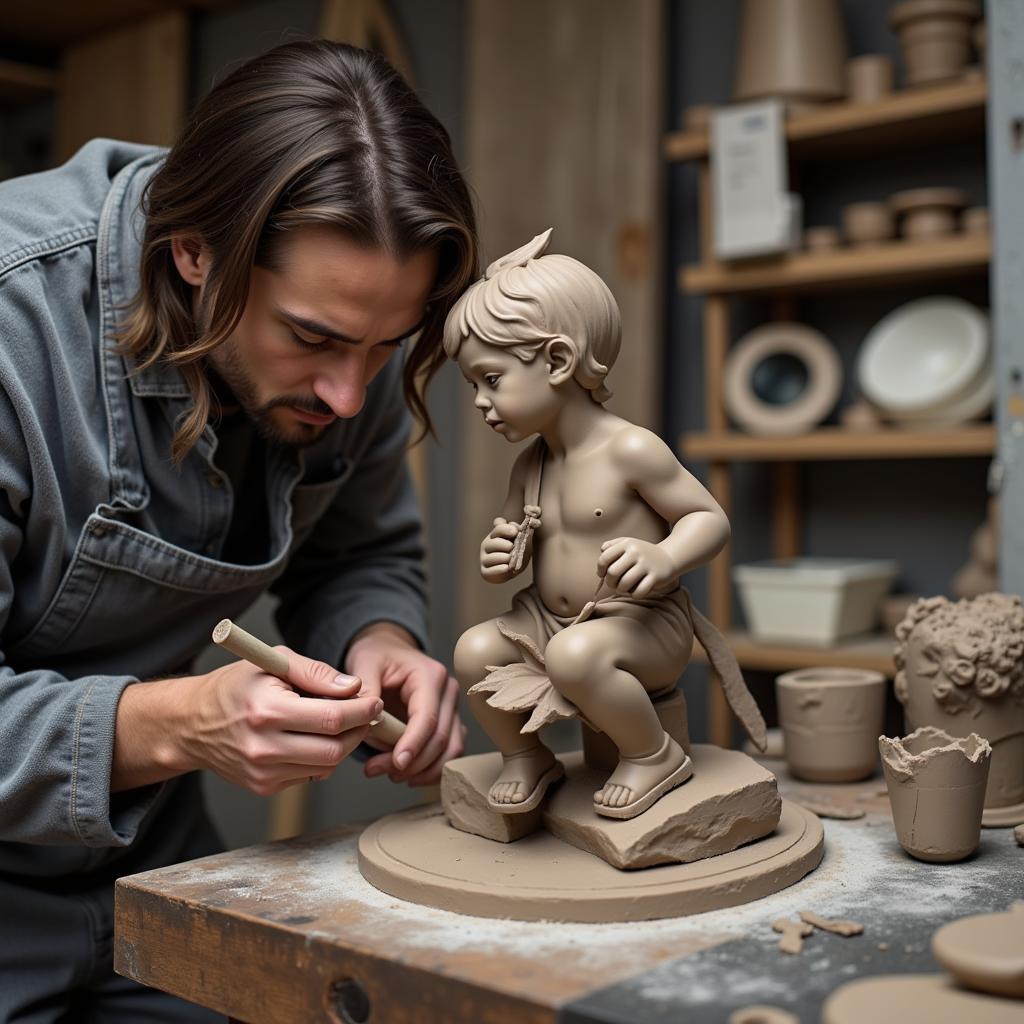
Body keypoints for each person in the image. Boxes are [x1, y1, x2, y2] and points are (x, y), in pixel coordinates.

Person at [0, 41, 475, 1022]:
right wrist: (185, 721)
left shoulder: (352, 327)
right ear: (193, 251)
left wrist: (379, 639)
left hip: (154, 860)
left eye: (386, 345)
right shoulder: (14, 324)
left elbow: (365, 553)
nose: (351, 392)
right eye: (314, 339)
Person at [448, 230, 766, 821]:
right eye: (473, 385)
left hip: (637, 623)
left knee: (575, 655)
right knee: (473, 651)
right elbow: (516, 536)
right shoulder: (531, 463)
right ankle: (526, 755)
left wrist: (665, 557)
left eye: (490, 380)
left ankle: (652, 754)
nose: (478, 401)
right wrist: (500, 554)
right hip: (547, 621)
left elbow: (707, 519)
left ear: (559, 361)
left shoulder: (631, 450)